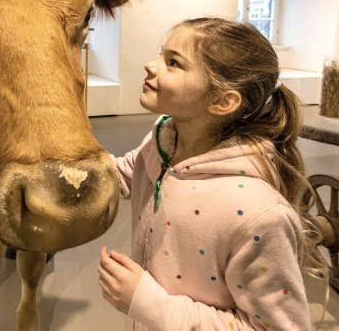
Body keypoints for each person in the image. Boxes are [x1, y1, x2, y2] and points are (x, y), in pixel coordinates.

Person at [98, 17, 326, 330]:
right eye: (160, 54)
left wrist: (151, 304)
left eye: (174, 63)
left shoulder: (260, 215)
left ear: (222, 101)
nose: (151, 66)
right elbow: (122, 174)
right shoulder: (162, 142)